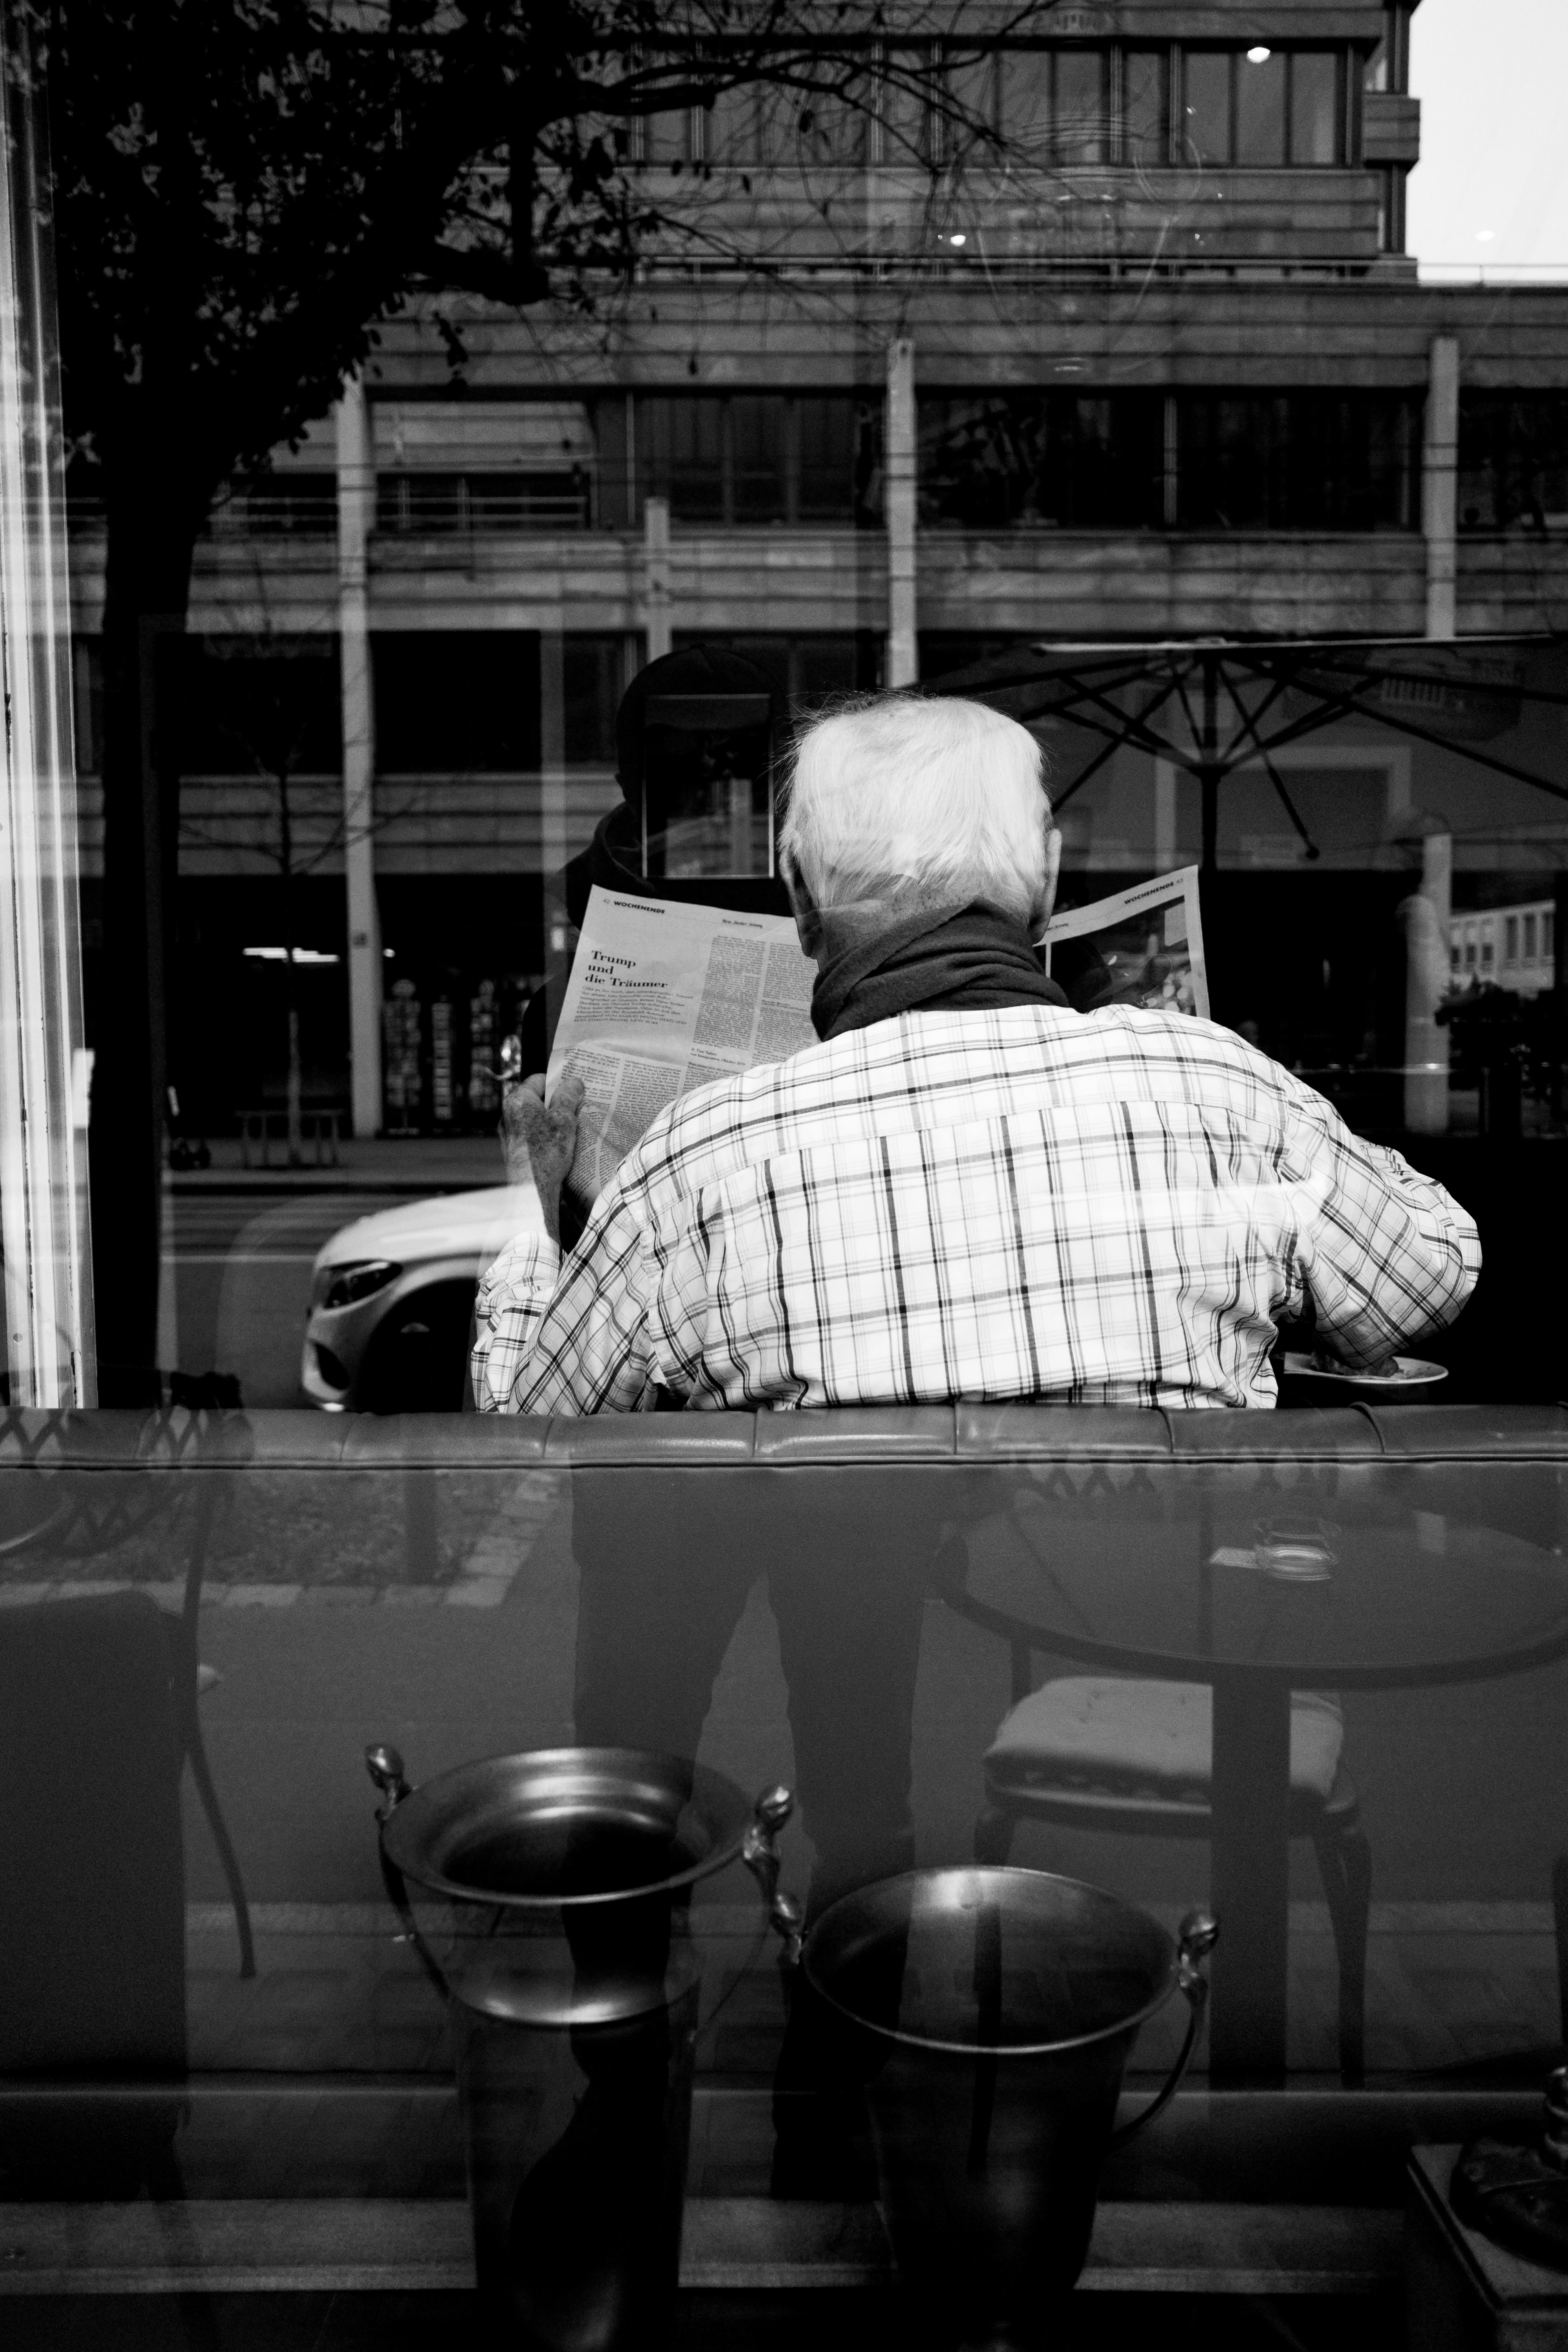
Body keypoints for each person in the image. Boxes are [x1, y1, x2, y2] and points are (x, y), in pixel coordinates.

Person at [475, 690, 1480, 1417]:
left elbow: (531, 1423)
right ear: (1043, 876)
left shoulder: (698, 1156)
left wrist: (529, 1206)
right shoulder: (1217, 1089)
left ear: (795, 892)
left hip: (856, 1688)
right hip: (1154, 1664)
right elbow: (1431, 1275)